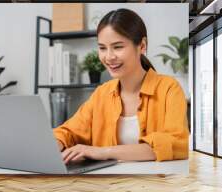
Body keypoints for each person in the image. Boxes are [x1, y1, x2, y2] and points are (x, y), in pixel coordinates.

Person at [53, 8, 189, 164]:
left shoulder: (169, 89)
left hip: (156, 183)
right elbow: (67, 132)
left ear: (142, 46)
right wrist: (55, 145)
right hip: (109, 185)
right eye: (102, 48)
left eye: (118, 47)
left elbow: (177, 143)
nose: (109, 57)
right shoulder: (102, 93)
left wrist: (104, 152)